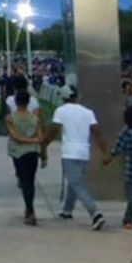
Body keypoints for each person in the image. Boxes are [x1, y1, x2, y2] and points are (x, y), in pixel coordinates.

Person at [44, 87, 109, 230]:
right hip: (84, 152)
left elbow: (53, 131)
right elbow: (97, 133)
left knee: (77, 185)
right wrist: (105, 152)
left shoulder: (61, 111)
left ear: (63, 97)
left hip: (70, 152)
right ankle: (67, 210)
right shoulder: (87, 112)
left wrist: (44, 145)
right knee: (74, 183)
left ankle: (95, 213)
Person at [6, 90, 45, 226]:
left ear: (16, 102)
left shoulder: (10, 118)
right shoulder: (35, 119)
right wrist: (36, 144)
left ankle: (30, 211)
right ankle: (29, 209)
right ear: (28, 102)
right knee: (30, 181)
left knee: (24, 181)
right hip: (33, 152)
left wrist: (26, 141)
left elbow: (15, 137)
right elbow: (40, 138)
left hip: (18, 153)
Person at [104, 105, 132, 229]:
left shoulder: (126, 131)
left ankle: (128, 219)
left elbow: (118, 147)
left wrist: (109, 157)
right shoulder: (130, 131)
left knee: (131, 196)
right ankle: (127, 219)